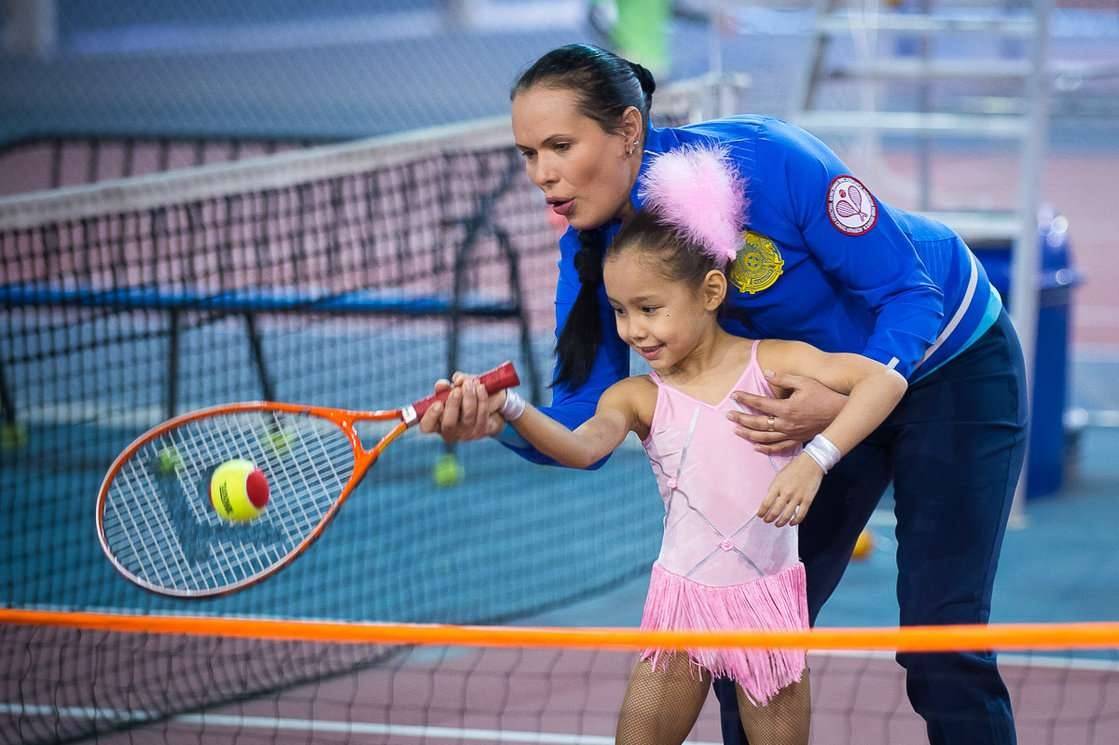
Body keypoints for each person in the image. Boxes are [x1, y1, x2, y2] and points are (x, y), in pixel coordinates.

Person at [420, 43, 1028, 745]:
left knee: (941, 644)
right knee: (746, 643)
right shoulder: (596, 254)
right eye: (527, 153)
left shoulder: (769, 161)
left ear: (626, 130)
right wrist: (498, 417)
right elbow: (584, 427)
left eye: (559, 145)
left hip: (949, 368)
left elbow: (908, 297)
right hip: (798, 407)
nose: (542, 174)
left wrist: (837, 413)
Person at [465, 145, 908, 744]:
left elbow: (885, 379)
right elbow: (580, 448)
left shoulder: (772, 362)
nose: (634, 330)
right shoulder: (635, 397)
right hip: (679, 607)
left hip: (766, 611)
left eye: (650, 308)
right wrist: (511, 411)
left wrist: (816, 458)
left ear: (711, 291)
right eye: (621, 312)